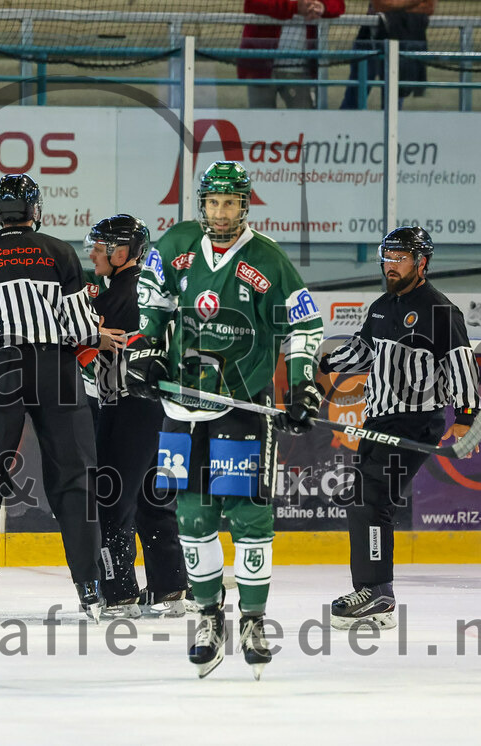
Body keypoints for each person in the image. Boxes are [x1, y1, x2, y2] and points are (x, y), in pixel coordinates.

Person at [127, 160, 324, 680]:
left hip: (240, 403)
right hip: (181, 404)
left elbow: (304, 324)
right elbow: (152, 305)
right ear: (202, 204)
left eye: (230, 202)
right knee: (192, 515)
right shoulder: (175, 246)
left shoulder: (267, 259)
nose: (221, 211)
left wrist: (303, 382)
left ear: (245, 205)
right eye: (213, 202)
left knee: (248, 513)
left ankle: (254, 619)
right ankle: (209, 616)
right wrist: (146, 348)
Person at [0, 173, 124, 622]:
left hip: (0, 369)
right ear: (35, 210)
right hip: (55, 367)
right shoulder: (59, 251)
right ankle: (90, 589)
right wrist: (99, 336)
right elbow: (80, 326)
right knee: (74, 478)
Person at [318, 227, 481, 629]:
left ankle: (376, 592)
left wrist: (465, 417)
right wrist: (322, 363)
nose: (391, 266)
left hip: (414, 423)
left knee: (371, 498)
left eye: (400, 258)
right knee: (364, 499)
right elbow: (363, 350)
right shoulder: (380, 306)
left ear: (421, 262)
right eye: (387, 257)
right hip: (377, 420)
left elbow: (460, 362)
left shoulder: (440, 310)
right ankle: (375, 592)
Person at [83, 215, 191, 619]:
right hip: (156, 413)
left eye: (100, 246)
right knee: (153, 501)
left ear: (122, 252)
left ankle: (119, 592)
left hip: (126, 408)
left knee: (112, 500)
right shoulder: (145, 291)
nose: (92, 252)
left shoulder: (120, 298)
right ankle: (170, 587)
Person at [240, 0, 345, 109]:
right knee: (260, 121)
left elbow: (338, 5)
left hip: (300, 70)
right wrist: (295, 7)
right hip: (261, 67)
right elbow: (253, 4)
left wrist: (321, 7)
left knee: (305, 122)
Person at [340, 0, 437, 110]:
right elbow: (379, 5)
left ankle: (391, 127)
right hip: (369, 41)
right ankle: (345, 125)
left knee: (394, 102)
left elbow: (428, 7)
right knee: (354, 98)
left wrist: (394, 5)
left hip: (402, 41)